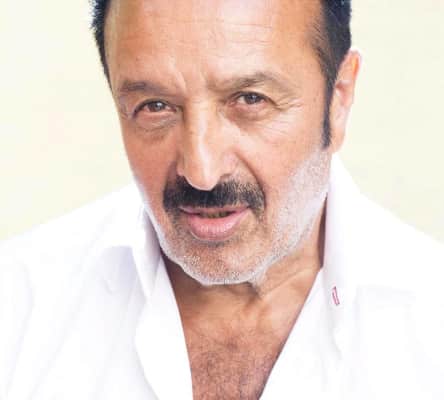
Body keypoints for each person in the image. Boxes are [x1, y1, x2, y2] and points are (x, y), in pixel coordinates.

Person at [1, 0, 443, 399]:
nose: (201, 171)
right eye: (155, 106)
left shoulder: (430, 325)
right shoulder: (17, 309)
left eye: (250, 99)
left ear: (339, 99)